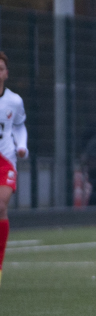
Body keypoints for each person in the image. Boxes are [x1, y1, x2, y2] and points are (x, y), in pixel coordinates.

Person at [0, 51, 28, 287]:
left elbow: (19, 126)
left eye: (0, 69)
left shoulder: (14, 101)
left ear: (6, 73)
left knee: (1, 205)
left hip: (6, 159)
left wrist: (22, 146)